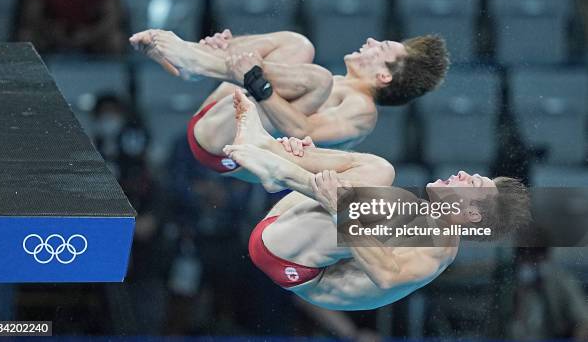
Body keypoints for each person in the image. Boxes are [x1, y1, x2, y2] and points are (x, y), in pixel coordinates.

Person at [222, 90, 530, 310]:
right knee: (379, 169)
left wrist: (340, 209)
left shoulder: (439, 247)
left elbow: (385, 275)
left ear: (473, 214)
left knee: (375, 203)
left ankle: (279, 171)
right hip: (284, 228)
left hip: (290, 261)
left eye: (473, 183)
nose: (463, 173)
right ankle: (271, 149)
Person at [129, 28, 449, 181]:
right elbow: (252, 71)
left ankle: (196, 62)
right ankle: (195, 60)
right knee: (298, 45)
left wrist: (255, 79)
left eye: (382, 47)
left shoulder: (362, 111)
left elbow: (300, 128)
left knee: (317, 79)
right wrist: (228, 50)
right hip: (221, 117)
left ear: (383, 75)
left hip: (228, 150)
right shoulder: (332, 84)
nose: (370, 41)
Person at [19, 0, 124, 54]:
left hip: (91, 33)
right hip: (52, 33)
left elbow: (112, 16)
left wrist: (90, 34)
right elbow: (31, 14)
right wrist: (50, 30)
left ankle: (106, 79)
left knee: (115, 41)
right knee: (26, 38)